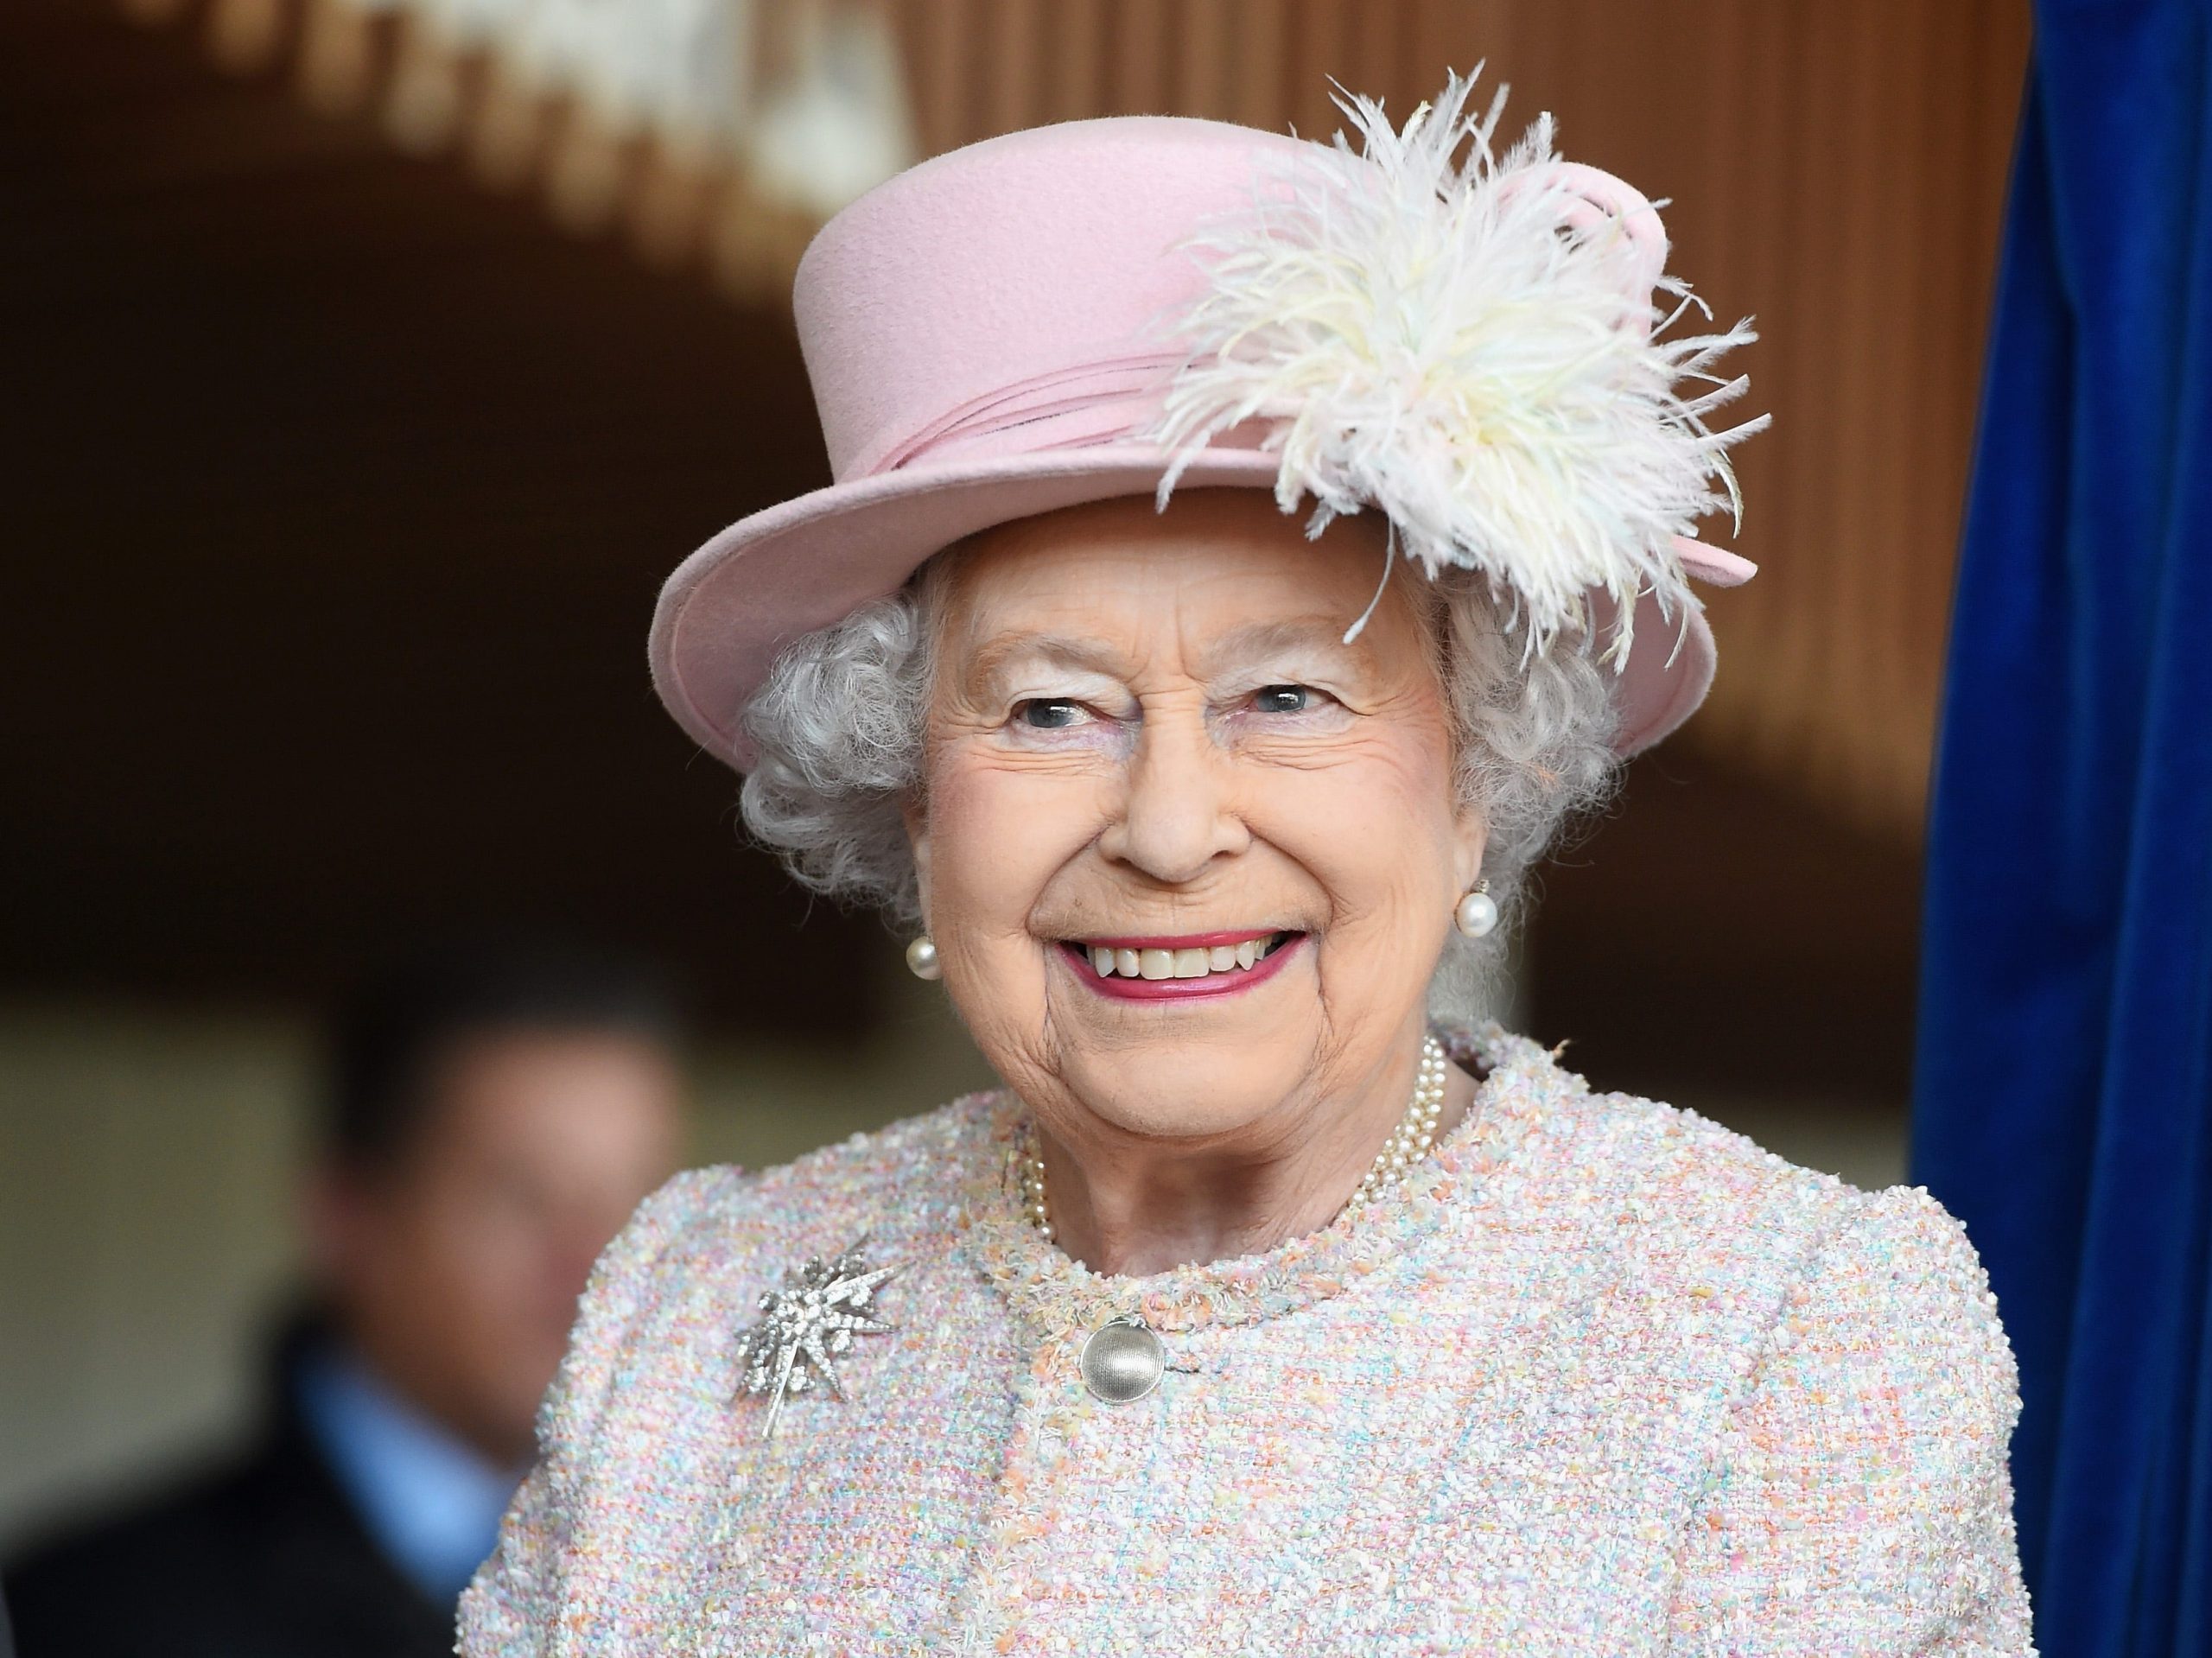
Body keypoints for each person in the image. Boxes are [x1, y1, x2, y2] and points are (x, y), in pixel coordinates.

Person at [461, 74, 2033, 1653]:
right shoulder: (694, 1307)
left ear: (1474, 777)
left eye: (1287, 694)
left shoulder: (1784, 1330)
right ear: (916, 801)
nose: (1166, 826)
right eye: (1051, 707)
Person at [5, 943, 685, 1658]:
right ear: (347, 1216)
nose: (599, 1259)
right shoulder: (89, 1618)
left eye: (640, 1201)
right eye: (523, 1196)